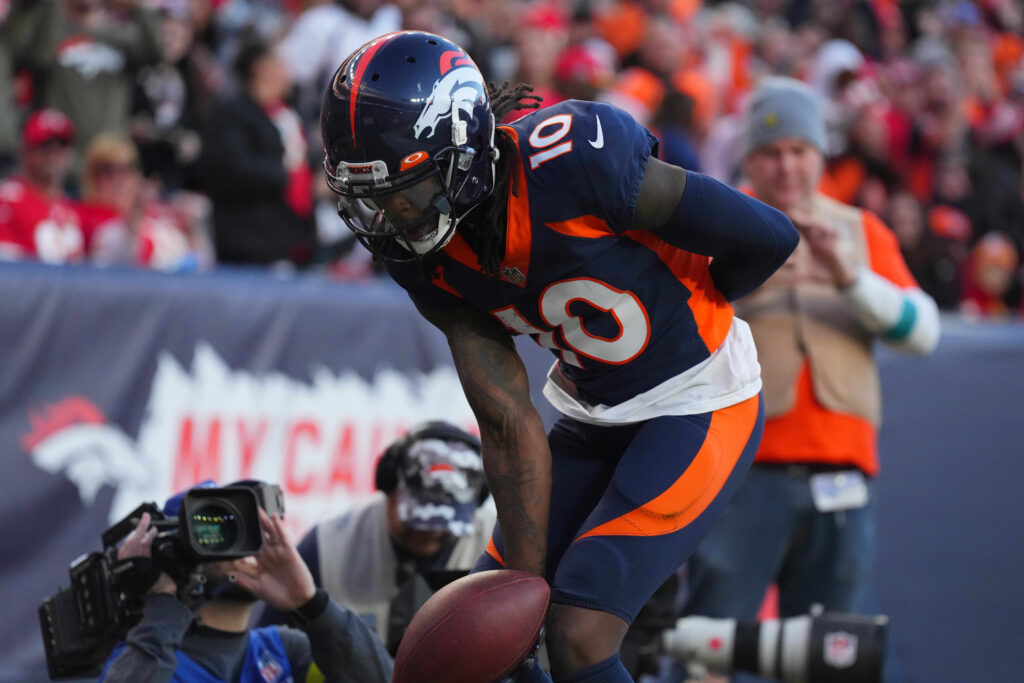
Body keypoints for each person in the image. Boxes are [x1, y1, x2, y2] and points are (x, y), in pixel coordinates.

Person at [319, 31, 799, 682]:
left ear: (459, 150)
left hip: (700, 395)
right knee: (491, 629)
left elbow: (769, 236)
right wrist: (519, 587)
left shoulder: (571, 163)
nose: (386, 219)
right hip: (594, 411)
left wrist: (705, 304)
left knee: (581, 627)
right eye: (368, 199)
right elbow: (507, 420)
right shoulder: (423, 257)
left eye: (401, 193)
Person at [681, 77, 941, 679]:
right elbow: (678, 334)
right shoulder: (717, 229)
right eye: (771, 153)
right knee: (710, 641)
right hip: (741, 471)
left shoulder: (861, 230)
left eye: (799, 150)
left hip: (843, 470)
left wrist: (848, 277)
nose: (787, 166)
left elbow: (923, 332)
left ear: (820, 155)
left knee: (831, 653)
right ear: (749, 159)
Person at [100, 481, 393, 683]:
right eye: (219, 527)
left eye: (261, 526)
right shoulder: (140, 656)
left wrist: (312, 602)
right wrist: (163, 602)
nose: (252, 545)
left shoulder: (284, 652)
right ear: (177, 554)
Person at [259, 420, 496, 655]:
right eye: (418, 520)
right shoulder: (328, 546)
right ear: (389, 488)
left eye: (447, 524)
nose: (431, 533)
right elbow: (266, 652)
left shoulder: (500, 544)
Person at [197, 34, 316, 268]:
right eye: (282, 63)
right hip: (250, 243)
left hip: (294, 241)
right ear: (260, 67)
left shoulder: (289, 115)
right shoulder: (231, 115)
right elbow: (233, 167)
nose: (288, 71)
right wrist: (288, 176)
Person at [0, 108, 85, 263]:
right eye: (45, 144)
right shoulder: (7, 200)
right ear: (25, 150)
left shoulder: (70, 208)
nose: (54, 152)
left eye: (62, 144)